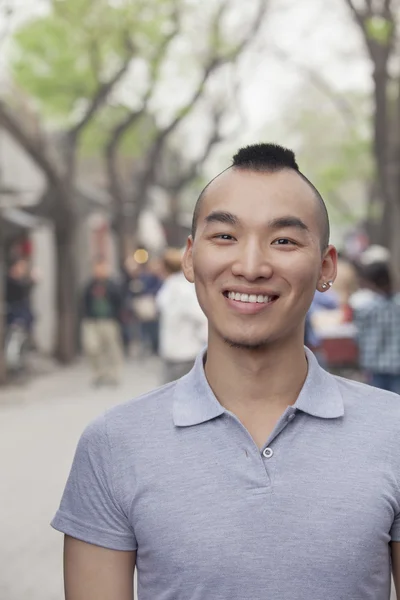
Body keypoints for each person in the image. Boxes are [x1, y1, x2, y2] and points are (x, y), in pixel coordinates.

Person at [52, 143, 400, 600]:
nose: (251, 267)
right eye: (225, 237)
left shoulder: (392, 430)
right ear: (192, 259)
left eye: (284, 241)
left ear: (326, 266)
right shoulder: (114, 444)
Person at [157, 247, 207, 383]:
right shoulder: (170, 286)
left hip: (186, 353)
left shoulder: (182, 290)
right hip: (171, 352)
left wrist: (203, 340)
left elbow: (202, 318)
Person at [353, 261, 400, 394]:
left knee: (378, 406)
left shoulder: (365, 309)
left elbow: (359, 338)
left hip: (375, 366)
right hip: (398, 366)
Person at [81, 258, 124, 386]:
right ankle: (98, 373)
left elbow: (119, 300)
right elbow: (83, 301)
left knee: (111, 348)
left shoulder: (112, 284)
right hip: (92, 321)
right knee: (92, 348)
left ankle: (113, 374)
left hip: (109, 320)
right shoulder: (89, 285)